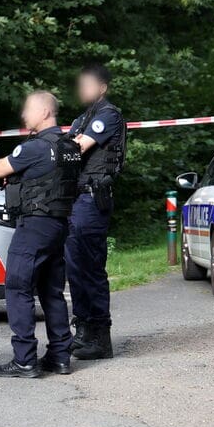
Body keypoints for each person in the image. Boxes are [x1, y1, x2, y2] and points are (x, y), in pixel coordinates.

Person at [0, 91, 80, 378]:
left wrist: (16, 174)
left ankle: (24, 359)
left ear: (43, 112)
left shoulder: (35, 147)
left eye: (28, 110)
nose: (23, 116)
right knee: (51, 291)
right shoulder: (70, 146)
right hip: (59, 224)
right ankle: (60, 356)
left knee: (17, 287)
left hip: (35, 224)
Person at [65, 63, 126, 360]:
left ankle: (100, 337)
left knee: (90, 268)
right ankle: (83, 330)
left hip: (92, 199)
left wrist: (60, 150)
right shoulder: (82, 117)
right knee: (75, 268)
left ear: (102, 87)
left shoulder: (108, 115)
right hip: (77, 201)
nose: (83, 90)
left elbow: (77, 148)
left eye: (88, 85)